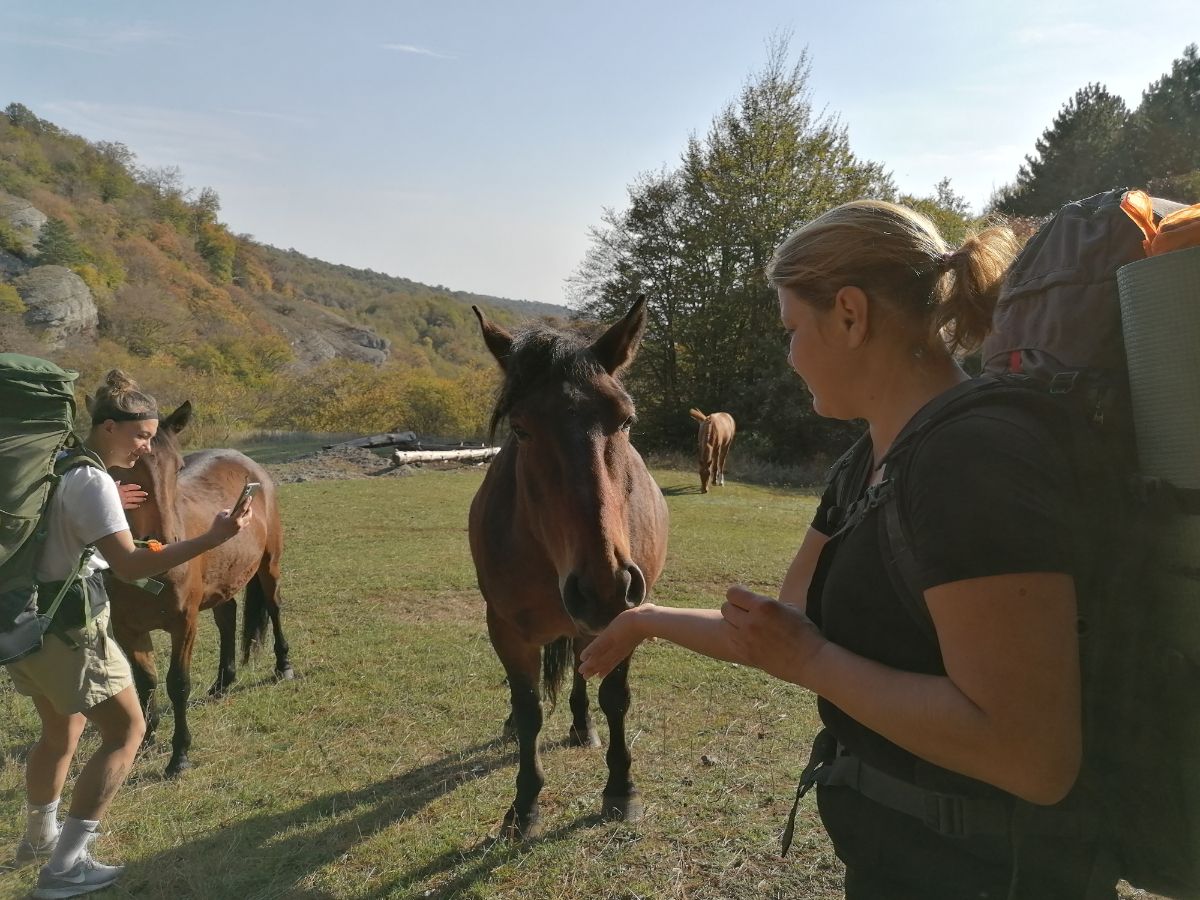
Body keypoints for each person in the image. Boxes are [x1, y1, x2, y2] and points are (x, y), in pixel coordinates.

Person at [579, 200, 1105, 898]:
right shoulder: (871, 459)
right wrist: (647, 619)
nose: (790, 354)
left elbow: (1032, 757)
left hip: (993, 874)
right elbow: (779, 634)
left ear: (850, 315)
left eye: (793, 329)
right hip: (895, 855)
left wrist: (817, 663)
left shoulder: (975, 460)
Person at [5, 369, 252, 899]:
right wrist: (213, 536)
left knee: (60, 733)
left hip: (22, 623)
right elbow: (132, 568)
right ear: (109, 426)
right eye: (141, 435)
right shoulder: (91, 481)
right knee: (126, 732)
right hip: (69, 630)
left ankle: (39, 837)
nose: (146, 447)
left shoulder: (53, 466)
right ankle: (65, 869)